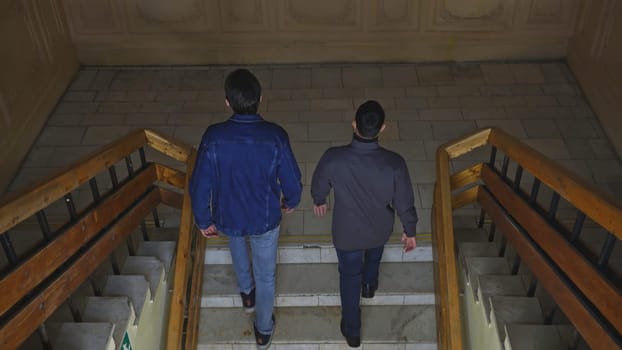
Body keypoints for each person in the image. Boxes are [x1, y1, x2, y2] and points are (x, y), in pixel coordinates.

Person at [190, 68, 302, 350]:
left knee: (237, 248)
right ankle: (263, 331)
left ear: (226, 102)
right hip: (265, 218)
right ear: (260, 99)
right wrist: (291, 200)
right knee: (267, 275)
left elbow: (199, 185)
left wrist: (203, 220)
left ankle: (246, 294)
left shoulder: (213, 137)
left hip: (227, 215)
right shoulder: (275, 136)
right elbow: (291, 179)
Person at [310, 100, 418, 348]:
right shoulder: (394, 163)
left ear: (353, 125)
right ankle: (370, 285)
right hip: (380, 229)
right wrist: (409, 230)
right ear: (382, 129)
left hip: (346, 234)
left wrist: (320, 200)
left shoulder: (334, 158)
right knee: (374, 253)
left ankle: (352, 330)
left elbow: (319, 184)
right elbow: (404, 202)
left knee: (348, 277)